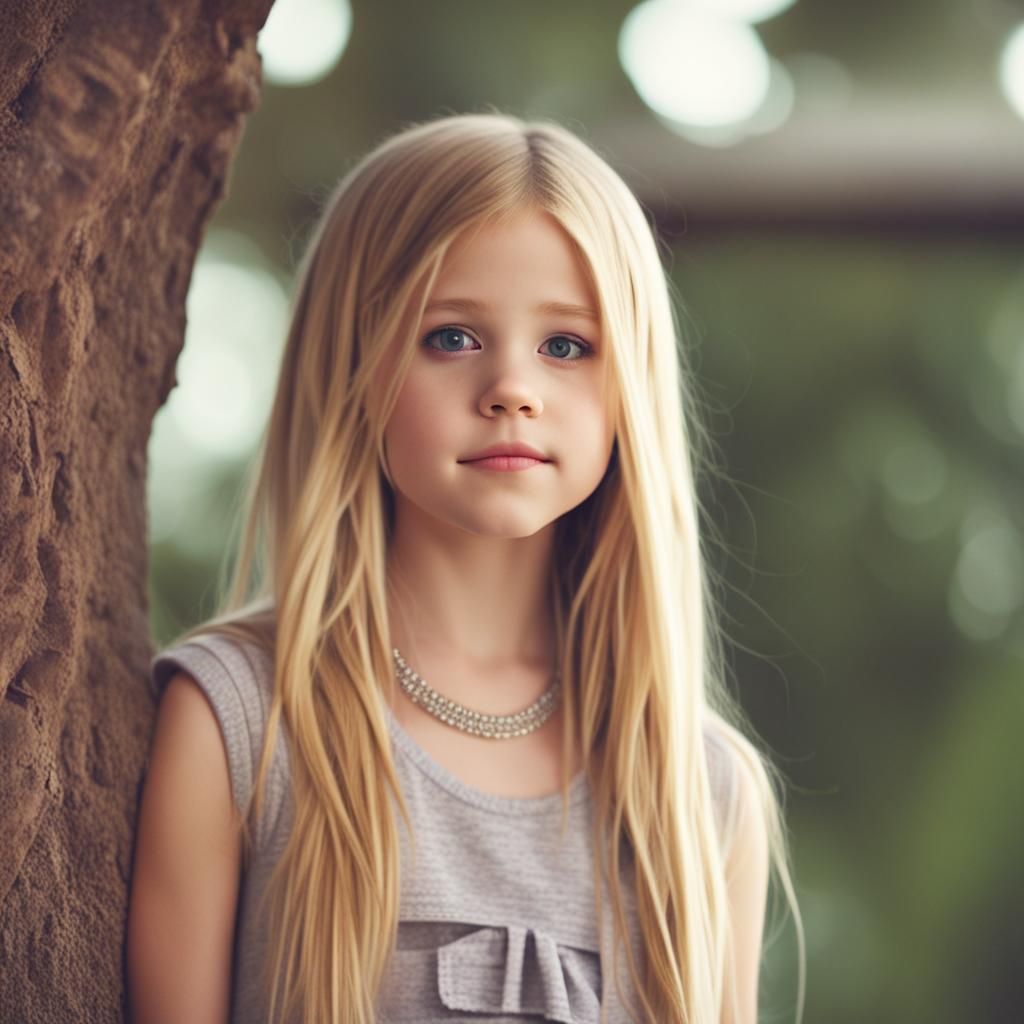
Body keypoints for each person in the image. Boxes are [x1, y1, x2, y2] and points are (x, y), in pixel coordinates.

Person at [127, 110, 805, 1024]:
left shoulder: (703, 792)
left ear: (627, 389)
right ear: (350, 364)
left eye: (566, 346)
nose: (512, 389)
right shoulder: (238, 723)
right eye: (451, 336)